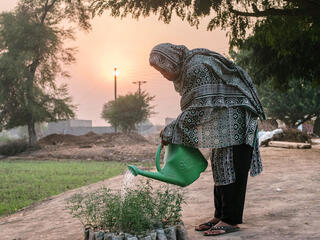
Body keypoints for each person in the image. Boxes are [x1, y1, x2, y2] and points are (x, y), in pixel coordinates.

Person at [149, 43, 265, 236]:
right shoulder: (188, 69)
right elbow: (199, 105)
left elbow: (201, 107)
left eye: (163, 68)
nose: (163, 74)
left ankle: (230, 220)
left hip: (236, 115)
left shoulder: (197, 67)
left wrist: (172, 130)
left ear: (170, 61)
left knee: (232, 165)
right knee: (220, 165)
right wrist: (174, 130)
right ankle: (219, 215)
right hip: (223, 116)